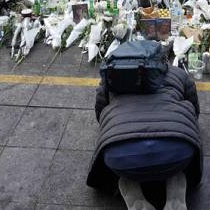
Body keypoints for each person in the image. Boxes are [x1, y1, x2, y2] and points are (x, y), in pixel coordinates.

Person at [87, 50, 203, 210]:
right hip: (178, 150)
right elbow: (194, 107)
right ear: (162, 61)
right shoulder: (177, 73)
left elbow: (100, 110)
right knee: (175, 163)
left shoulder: (111, 75)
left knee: (126, 172)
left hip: (119, 156)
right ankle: (175, 197)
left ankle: (136, 199)